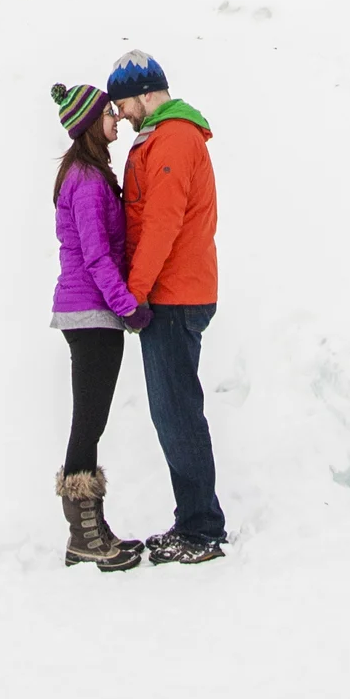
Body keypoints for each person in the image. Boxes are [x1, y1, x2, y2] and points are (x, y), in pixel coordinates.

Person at [108, 48, 226, 563]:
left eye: (124, 102)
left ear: (147, 93)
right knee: (173, 411)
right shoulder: (160, 137)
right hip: (173, 292)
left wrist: (134, 293)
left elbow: (162, 223)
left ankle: (201, 530)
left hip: (175, 295)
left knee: (178, 414)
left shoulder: (173, 137)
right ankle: (193, 522)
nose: (122, 113)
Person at [48, 82, 145, 571]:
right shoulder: (86, 181)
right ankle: (82, 535)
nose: (115, 119)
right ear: (89, 125)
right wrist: (127, 306)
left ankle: (92, 529)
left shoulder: (90, 174)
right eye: (108, 114)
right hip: (91, 313)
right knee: (88, 420)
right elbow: (96, 255)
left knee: (93, 419)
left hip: (91, 311)